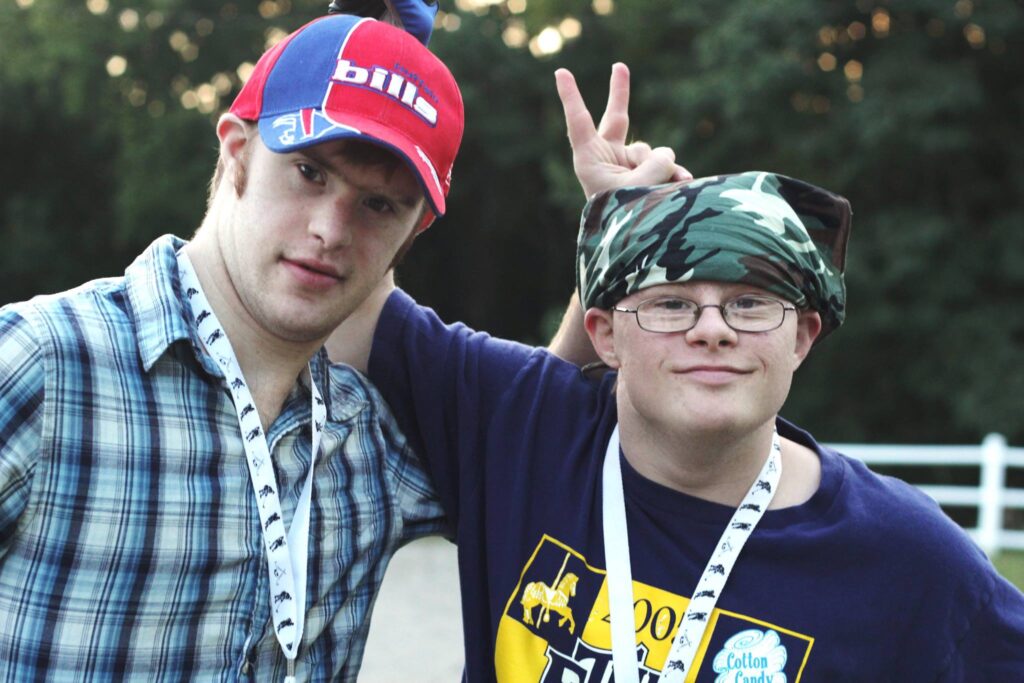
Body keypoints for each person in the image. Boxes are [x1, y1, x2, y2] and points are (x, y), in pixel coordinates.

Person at [329, 103, 1024, 683]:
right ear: (604, 334)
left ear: (803, 336)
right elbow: (343, 295)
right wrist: (371, 57)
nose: (712, 330)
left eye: (750, 303)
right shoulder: (526, 435)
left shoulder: (906, 558)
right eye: (670, 304)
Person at [0, 14, 464, 681]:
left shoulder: (374, 444)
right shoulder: (42, 364)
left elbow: (547, 438)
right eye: (309, 172)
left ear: (412, 234)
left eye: (378, 206)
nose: (331, 229)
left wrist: (607, 235)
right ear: (236, 152)